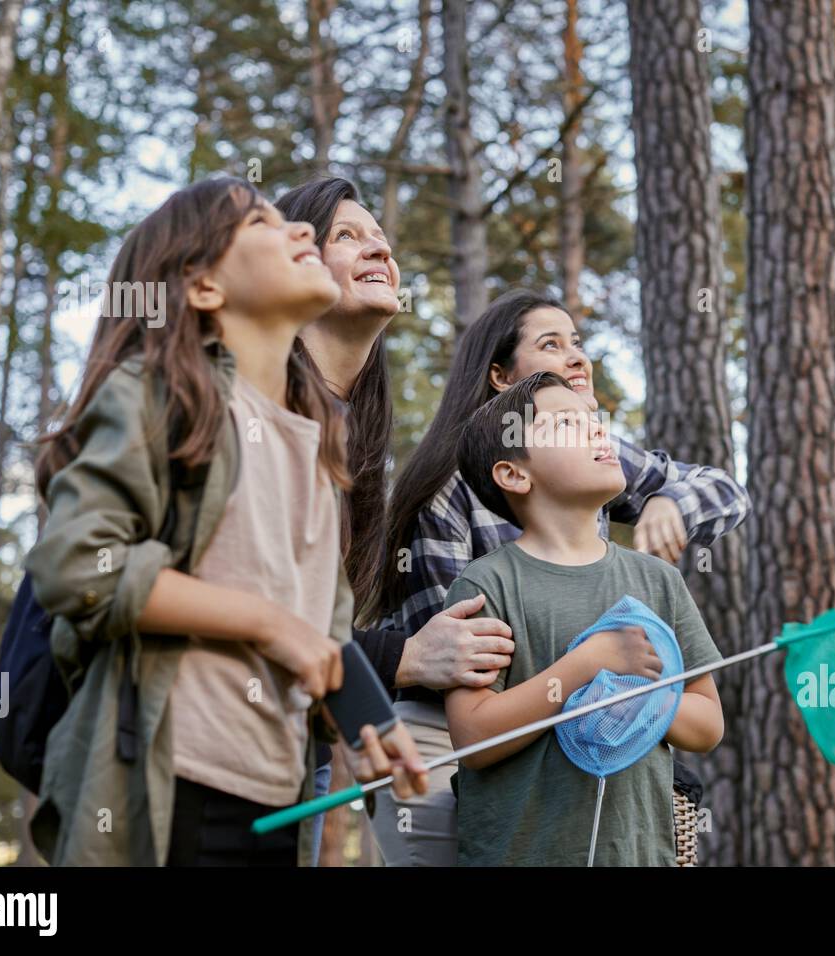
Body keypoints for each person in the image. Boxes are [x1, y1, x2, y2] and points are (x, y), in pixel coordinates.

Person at [25, 177, 427, 866]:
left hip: (277, 801)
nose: (302, 231)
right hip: (170, 788)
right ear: (206, 288)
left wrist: (368, 718)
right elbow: (77, 566)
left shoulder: (316, 437)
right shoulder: (159, 396)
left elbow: (325, 623)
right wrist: (265, 622)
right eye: (267, 226)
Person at [372, 288, 750, 865]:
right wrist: (590, 669)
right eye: (552, 345)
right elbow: (459, 684)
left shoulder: (595, 468)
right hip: (448, 754)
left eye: (578, 342)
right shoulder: (453, 512)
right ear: (501, 378)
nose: (579, 358)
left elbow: (723, 489)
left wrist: (670, 502)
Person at [274, 176, 515, 864]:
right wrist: (404, 658)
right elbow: (257, 608)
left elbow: (322, 623)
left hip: (297, 754)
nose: (378, 247)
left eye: (379, 236)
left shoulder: (356, 439)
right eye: (346, 235)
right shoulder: (256, 410)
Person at [443, 371, 724, 865]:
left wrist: (641, 699)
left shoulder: (659, 580)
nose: (599, 430)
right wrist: (587, 666)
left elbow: (706, 726)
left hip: (638, 852)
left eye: (594, 419)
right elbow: (475, 740)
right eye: (568, 423)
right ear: (514, 474)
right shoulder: (485, 585)